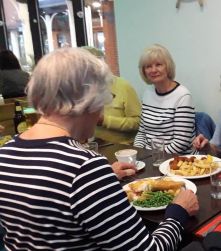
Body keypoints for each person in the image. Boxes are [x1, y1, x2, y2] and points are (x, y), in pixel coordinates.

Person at [0, 47, 199, 250]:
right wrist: (177, 213)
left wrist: (105, 178)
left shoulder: (5, 153)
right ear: (89, 100)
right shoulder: (85, 168)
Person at [134, 44, 196, 154]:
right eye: (148, 66)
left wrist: (155, 157)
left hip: (177, 161)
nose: (153, 70)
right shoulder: (147, 93)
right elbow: (141, 132)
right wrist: (137, 152)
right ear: (144, 71)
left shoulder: (183, 96)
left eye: (158, 65)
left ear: (168, 67)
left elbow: (181, 143)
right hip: (150, 157)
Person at [82, 46, 141, 145]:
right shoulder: (82, 89)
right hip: (93, 145)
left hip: (122, 147)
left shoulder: (123, 86)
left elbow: (138, 123)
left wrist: (104, 121)